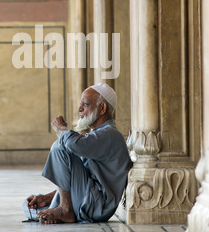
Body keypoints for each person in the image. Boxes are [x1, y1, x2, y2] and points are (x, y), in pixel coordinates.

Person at [23, 83, 133, 224]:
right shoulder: (98, 134)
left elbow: (71, 144)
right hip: (87, 199)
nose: (79, 109)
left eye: (85, 105)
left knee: (59, 146)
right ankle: (62, 209)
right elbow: (76, 181)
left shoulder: (110, 134)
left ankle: (65, 210)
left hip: (97, 205)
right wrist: (46, 198)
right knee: (29, 207)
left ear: (102, 108)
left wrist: (61, 130)